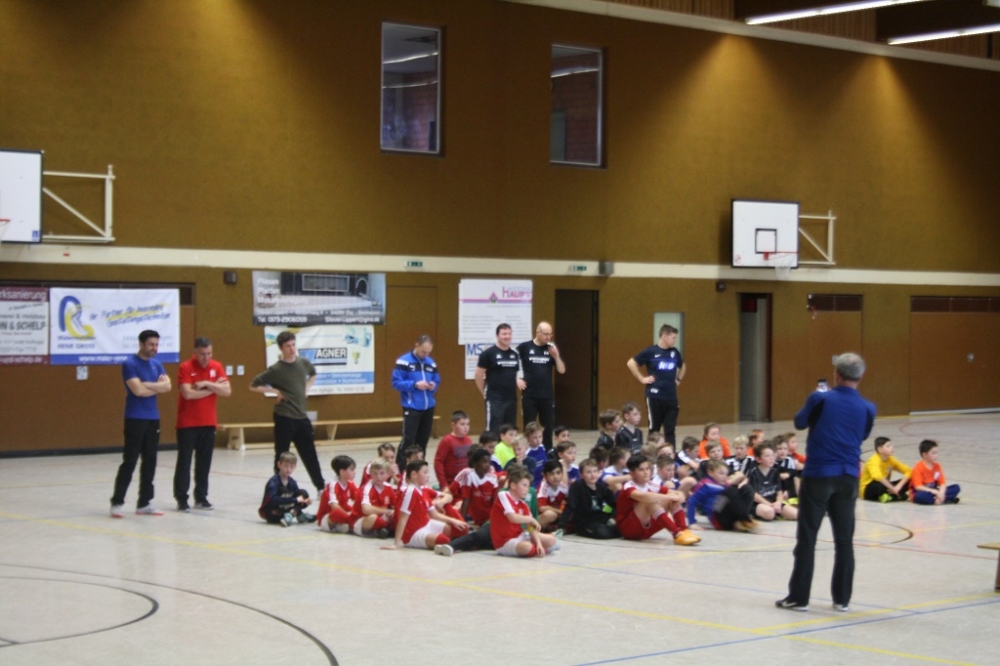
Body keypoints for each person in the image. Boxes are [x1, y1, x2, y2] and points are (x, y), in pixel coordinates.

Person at [778, 352, 875, 613]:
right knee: (844, 540)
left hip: (819, 474)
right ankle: (842, 599)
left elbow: (799, 422)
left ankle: (799, 598)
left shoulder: (820, 398)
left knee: (807, 537)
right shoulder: (868, 407)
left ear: (836, 374)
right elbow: (862, 435)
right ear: (861, 376)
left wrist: (816, 399)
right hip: (848, 477)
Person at [249, 330, 325, 492]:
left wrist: (307, 388)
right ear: (281, 348)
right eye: (287, 346)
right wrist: (275, 391)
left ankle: (320, 486)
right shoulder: (276, 369)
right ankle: (278, 488)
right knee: (282, 454)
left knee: (310, 454)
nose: (291, 349)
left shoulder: (303, 363)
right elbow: (253, 385)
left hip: (301, 416)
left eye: (293, 345)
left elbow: (313, 374)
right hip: (284, 417)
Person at [111, 329, 172, 518]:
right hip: (135, 418)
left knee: (150, 461)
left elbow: (168, 386)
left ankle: (144, 502)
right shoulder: (129, 364)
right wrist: (156, 387)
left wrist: (147, 384)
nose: (155, 348)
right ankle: (117, 502)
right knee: (130, 461)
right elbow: (137, 391)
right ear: (141, 344)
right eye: (151, 344)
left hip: (153, 419)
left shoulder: (157, 364)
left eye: (157, 344)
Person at [174, 336, 230, 512]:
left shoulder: (216, 367)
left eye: (209, 353)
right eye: (202, 354)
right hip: (187, 423)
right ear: (195, 353)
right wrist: (214, 389)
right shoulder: (185, 367)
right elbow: (188, 394)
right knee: (185, 462)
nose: (206, 357)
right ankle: (181, 499)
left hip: (208, 422)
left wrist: (206, 384)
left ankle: (201, 497)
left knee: (204, 463)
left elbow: (227, 391)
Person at [616, 454, 700, 546]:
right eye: (641, 470)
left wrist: (678, 496)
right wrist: (671, 497)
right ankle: (676, 534)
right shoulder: (628, 486)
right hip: (629, 530)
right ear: (632, 473)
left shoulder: (650, 484)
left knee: (671, 499)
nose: (646, 472)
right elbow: (644, 496)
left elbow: (678, 495)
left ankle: (683, 530)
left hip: (646, 530)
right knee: (648, 501)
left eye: (647, 468)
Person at [626, 324, 686, 444]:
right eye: (673, 337)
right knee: (654, 429)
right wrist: (642, 378)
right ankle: (652, 452)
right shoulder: (651, 352)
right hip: (655, 396)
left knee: (670, 429)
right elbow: (631, 363)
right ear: (664, 336)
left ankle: (670, 453)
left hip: (671, 397)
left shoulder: (674, 352)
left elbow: (682, 366)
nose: (675, 340)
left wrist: (678, 379)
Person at [516, 321, 566, 451]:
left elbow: (561, 370)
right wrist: (516, 379)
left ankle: (547, 452)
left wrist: (556, 356)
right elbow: (511, 361)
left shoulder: (551, 348)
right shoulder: (525, 347)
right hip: (529, 395)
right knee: (529, 426)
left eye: (550, 334)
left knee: (548, 427)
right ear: (538, 332)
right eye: (546, 334)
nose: (548, 337)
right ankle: (528, 451)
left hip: (547, 395)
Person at [391, 335, 440, 465]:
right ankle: (400, 470)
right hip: (411, 406)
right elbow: (396, 383)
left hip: (428, 407)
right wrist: (415, 385)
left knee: (423, 441)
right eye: (423, 351)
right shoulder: (403, 362)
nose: (426, 355)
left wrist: (433, 386)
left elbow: (436, 380)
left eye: (428, 352)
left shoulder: (431, 363)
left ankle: (419, 469)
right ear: (416, 345)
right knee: (408, 441)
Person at [491, 467, 557, 558]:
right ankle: (542, 549)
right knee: (526, 547)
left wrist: (539, 543)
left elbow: (530, 527)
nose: (527, 489)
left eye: (528, 486)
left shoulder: (523, 504)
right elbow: (512, 517)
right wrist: (530, 519)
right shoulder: (503, 495)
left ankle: (539, 548)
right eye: (524, 485)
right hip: (504, 541)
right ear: (513, 485)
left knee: (551, 540)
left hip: (520, 536)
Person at [475, 323, 522, 434]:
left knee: (509, 431)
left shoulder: (514, 355)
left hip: (511, 399)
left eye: (509, 334)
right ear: (497, 336)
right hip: (495, 399)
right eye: (504, 334)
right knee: (494, 431)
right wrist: (484, 392)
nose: (507, 336)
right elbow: (478, 375)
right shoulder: (488, 354)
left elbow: (513, 375)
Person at [560, 459, 619, 539]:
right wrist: (561, 526)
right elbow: (570, 506)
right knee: (602, 532)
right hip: (584, 522)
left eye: (595, 471)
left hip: (599, 518)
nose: (593, 475)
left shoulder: (600, 487)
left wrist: (614, 515)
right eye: (589, 472)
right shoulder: (577, 486)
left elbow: (614, 503)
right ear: (581, 475)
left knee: (621, 527)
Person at [258, 451, 313, 526]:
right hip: (272, 512)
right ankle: (297, 514)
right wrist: (295, 500)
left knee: (303, 493)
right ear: (279, 465)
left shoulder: (292, 482)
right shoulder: (273, 482)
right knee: (285, 493)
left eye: (291, 467)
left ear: (295, 467)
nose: (288, 469)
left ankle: (292, 514)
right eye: (286, 466)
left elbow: (298, 500)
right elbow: (273, 500)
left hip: (285, 508)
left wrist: (305, 502)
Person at [860, 437, 911, 502]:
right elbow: (877, 477)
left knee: (910, 480)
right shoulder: (873, 460)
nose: (892, 447)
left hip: (886, 486)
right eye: (888, 446)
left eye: (891, 445)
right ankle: (895, 496)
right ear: (880, 449)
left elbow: (908, 471)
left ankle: (889, 496)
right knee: (878, 486)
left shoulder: (891, 460)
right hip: (867, 489)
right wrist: (892, 488)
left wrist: (898, 486)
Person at [910, 439, 960, 505]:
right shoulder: (918, 467)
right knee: (921, 496)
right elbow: (918, 487)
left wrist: (941, 493)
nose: (936, 456)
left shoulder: (937, 466)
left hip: (934, 492)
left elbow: (942, 483)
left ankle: (939, 499)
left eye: (936, 453)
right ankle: (940, 500)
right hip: (922, 492)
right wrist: (935, 492)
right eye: (933, 453)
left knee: (956, 488)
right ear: (925, 455)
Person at [433, 411, 473, 488]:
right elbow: (438, 462)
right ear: (453, 425)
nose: (466, 427)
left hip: (465, 482)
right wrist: (443, 484)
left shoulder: (468, 440)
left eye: (468, 424)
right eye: (462, 424)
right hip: (451, 482)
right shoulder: (447, 441)